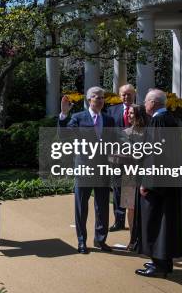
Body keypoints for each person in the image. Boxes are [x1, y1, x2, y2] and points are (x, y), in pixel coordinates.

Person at [133, 89, 182, 278]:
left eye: (146, 101)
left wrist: (146, 183)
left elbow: (155, 156)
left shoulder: (158, 121)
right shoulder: (171, 119)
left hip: (159, 184)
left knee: (155, 221)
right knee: (166, 223)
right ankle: (164, 261)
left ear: (153, 103)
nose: (144, 105)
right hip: (171, 181)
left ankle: (159, 265)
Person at [59, 86, 117, 254]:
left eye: (102, 98)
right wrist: (63, 115)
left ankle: (100, 240)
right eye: (96, 97)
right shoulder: (78, 118)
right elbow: (64, 136)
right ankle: (82, 241)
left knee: (102, 207)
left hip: (103, 169)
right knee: (81, 206)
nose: (100, 100)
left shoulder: (109, 119)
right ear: (89, 99)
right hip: (84, 169)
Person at [105, 84, 136, 232]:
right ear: (119, 95)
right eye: (123, 94)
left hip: (133, 159)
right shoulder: (111, 111)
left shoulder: (139, 110)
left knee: (129, 189)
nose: (126, 97)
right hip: (117, 158)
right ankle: (119, 220)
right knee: (117, 189)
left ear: (134, 94)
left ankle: (133, 222)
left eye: (129, 94)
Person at [119, 104, 148, 250]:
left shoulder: (149, 133)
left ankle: (145, 240)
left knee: (145, 207)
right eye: (128, 113)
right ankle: (132, 239)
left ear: (139, 115)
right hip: (129, 174)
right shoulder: (125, 132)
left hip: (145, 174)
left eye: (132, 113)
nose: (129, 115)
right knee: (131, 208)